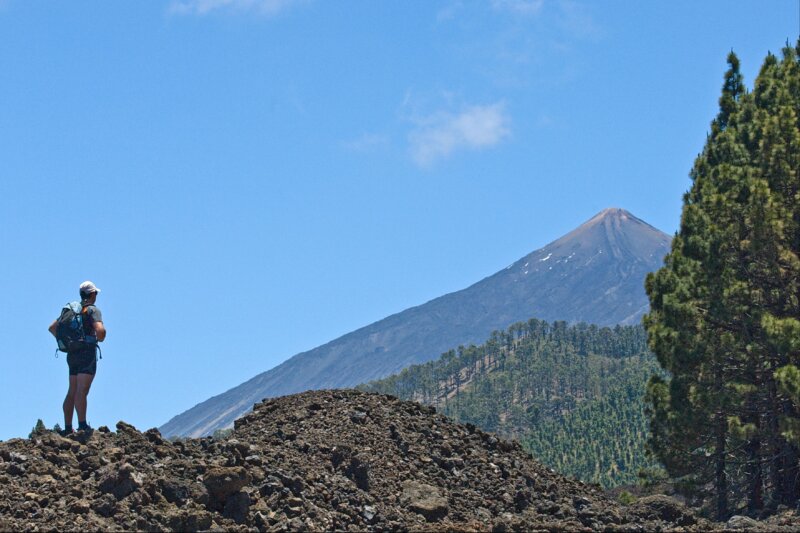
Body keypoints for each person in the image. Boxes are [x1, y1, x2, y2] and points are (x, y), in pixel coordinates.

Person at [48, 281, 106, 435]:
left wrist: (68, 344)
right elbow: (100, 331)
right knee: (82, 390)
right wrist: (101, 336)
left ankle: (68, 428)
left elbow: (52, 328)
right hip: (86, 353)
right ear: (92, 294)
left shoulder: (72, 309)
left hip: (72, 354)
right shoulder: (92, 310)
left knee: (72, 390)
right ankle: (82, 425)